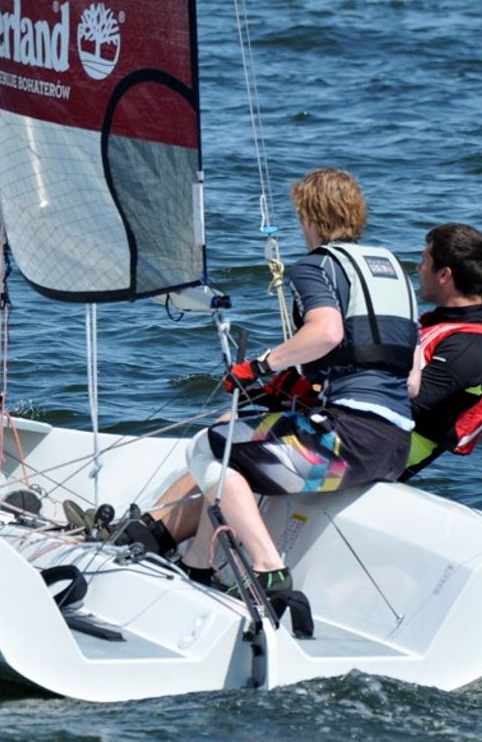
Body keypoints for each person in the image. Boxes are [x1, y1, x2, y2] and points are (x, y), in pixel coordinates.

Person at [171, 169, 418, 620]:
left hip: (347, 443)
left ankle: (269, 569)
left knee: (209, 446)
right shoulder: (393, 271)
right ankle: (199, 564)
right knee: (238, 446)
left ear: (309, 216)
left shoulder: (316, 266)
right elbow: (412, 378)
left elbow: (326, 332)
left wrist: (261, 366)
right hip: (395, 445)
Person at [403, 222, 482, 479]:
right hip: (362, 435)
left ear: (444, 275)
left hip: (383, 456)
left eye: (424, 260)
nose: (418, 268)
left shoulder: (470, 347)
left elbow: (406, 406)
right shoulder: (440, 324)